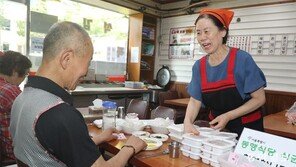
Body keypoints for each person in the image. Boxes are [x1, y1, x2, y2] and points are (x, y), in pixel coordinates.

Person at [9, 21, 146, 167]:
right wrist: (129, 148)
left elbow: (56, 148)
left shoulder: (21, 99)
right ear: (66, 58)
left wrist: (99, 138)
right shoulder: (60, 114)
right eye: (88, 62)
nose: (86, 71)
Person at [184, 9, 266, 137]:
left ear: (223, 31)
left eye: (207, 31)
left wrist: (228, 116)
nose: (202, 38)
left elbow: (259, 99)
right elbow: (195, 101)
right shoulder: (198, 66)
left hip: (248, 130)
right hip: (217, 130)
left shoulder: (242, 59)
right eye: (198, 33)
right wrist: (187, 122)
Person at [0, 50, 32, 161]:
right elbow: (33, 115)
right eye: (25, 74)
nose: (24, 79)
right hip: (15, 153)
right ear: (14, 72)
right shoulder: (10, 91)